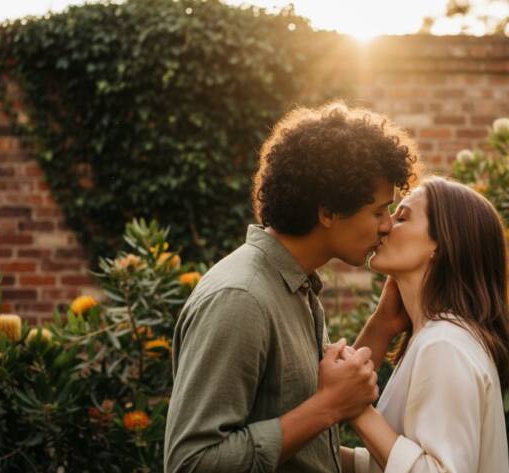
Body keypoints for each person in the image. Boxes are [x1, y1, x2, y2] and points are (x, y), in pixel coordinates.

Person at [163, 102, 420, 473]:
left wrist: (382, 327)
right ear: (327, 212)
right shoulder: (240, 298)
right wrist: (328, 406)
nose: (387, 226)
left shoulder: (295, 287)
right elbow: (192, 462)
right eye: (378, 211)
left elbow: (302, 445)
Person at [342, 177, 509, 473]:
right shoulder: (437, 338)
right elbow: (398, 461)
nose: (385, 225)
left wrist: (358, 409)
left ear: (440, 244)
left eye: (402, 217)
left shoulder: (445, 345)